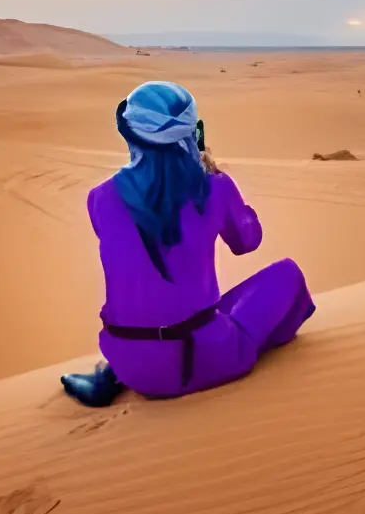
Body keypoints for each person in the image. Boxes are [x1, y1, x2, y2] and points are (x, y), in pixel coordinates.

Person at [61, 81, 315, 407]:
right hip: (198, 361)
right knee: (288, 275)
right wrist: (214, 174)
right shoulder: (213, 187)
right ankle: (268, 348)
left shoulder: (99, 198)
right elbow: (248, 241)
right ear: (193, 134)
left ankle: (109, 377)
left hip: (129, 365)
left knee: (178, 304)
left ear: (129, 135)